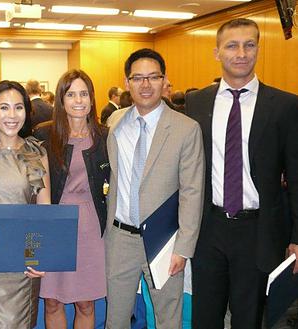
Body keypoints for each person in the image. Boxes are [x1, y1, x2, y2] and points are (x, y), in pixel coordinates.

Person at [186, 18, 298, 329]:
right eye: (232, 45)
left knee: (248, 319)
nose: (241, 53)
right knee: (204, 318)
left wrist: (297, 237)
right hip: (208, 229)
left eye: (249, 45)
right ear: (216, 52)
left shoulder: (285, 106)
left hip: (258, 231)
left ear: (258, 49)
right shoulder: (197, 102)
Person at [105, 48, 205, 329]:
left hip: (165, 241)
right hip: (119, 239)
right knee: (116, 319)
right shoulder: (116, 124)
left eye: (153, 77)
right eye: (138, 78)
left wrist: (183, 248)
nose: (145, 85)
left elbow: (192, 191)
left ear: (164, 81)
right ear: (127, 83)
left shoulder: (186, 129)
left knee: (168, 319)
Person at [0, 80, 50, 329]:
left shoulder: (36, 152)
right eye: (4, 108)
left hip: (26, 255)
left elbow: (44, 206)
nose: (12, 115)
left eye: (18, 107)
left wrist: (42, 256)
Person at [34, 69, 109, 329]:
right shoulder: (43, 135)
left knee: (85, 302)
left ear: (91, 98)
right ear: (61, 100)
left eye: (84, 93)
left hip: (90, 225)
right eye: (71, 94)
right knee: (53, 300)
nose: (78, 100)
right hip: (53, 222)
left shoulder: (106, 137)